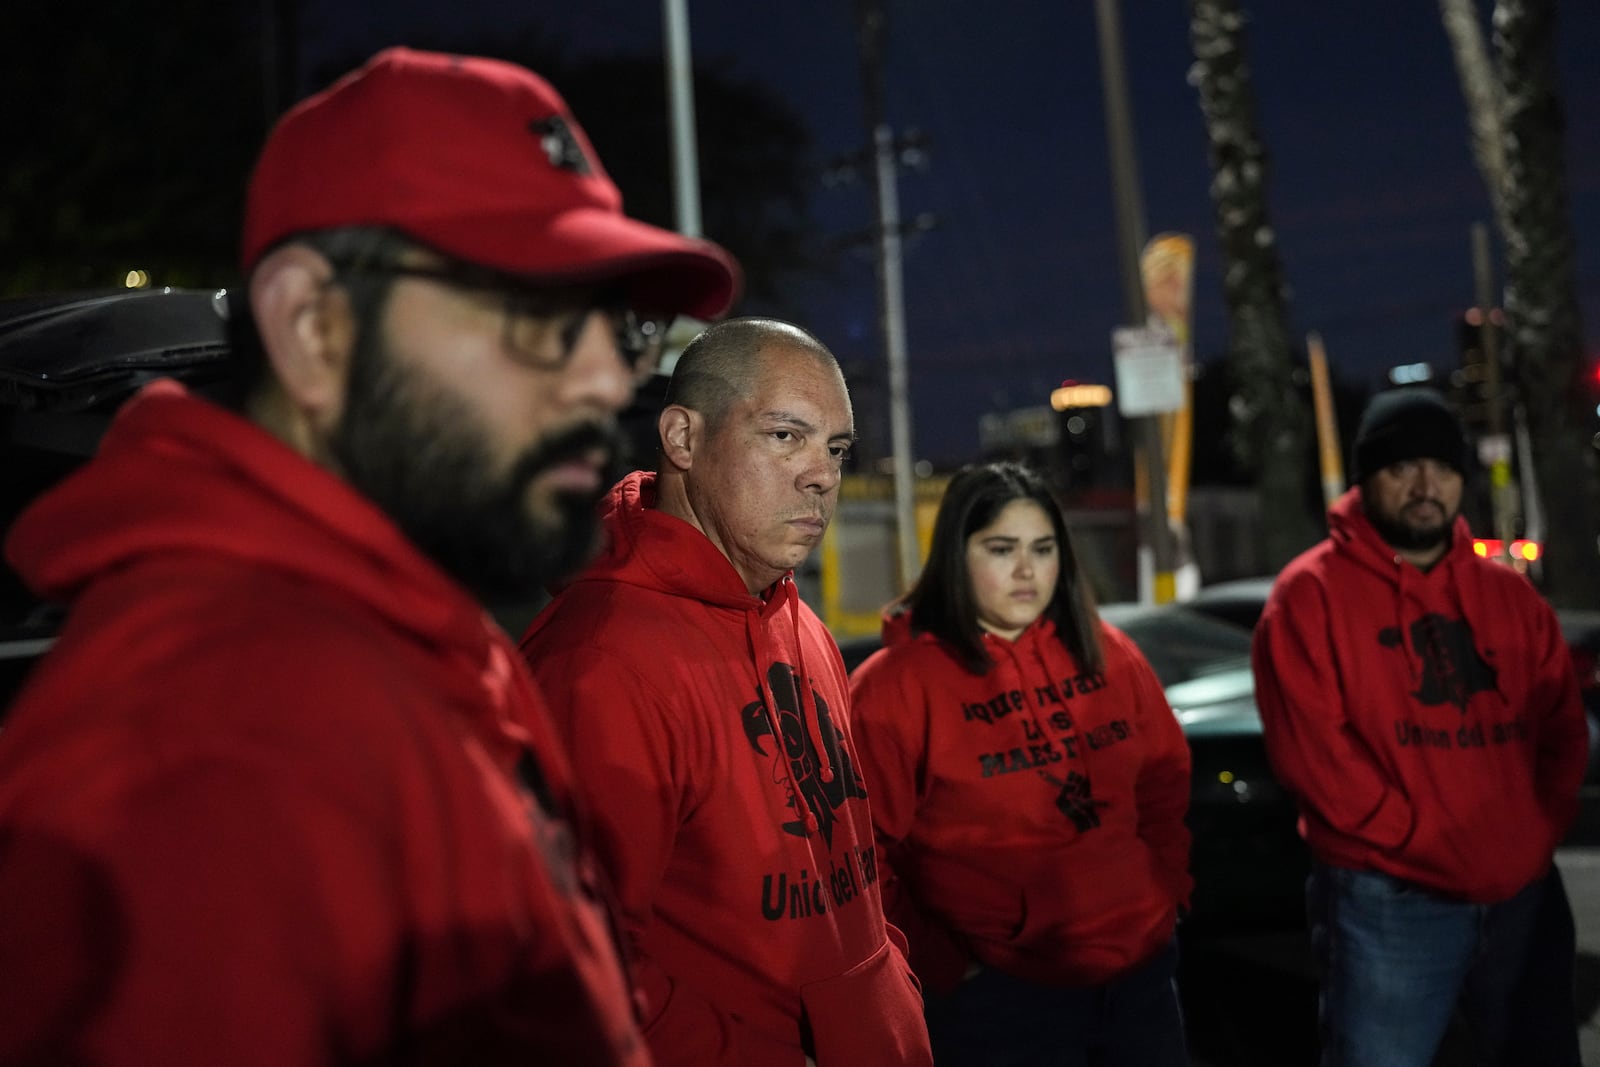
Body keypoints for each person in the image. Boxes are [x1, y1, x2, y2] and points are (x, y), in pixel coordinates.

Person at [0, 46, 740, 1065]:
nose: (604, 384)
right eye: (534, 319)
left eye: (619, 330)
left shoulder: (407, 629)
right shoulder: (206, 744)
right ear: (313, 325)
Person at [518, 317, 933, 1067]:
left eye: (836, 448)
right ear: (682, 438)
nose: (823, 475)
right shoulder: (596, 663)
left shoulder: (801, 622)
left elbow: (856, 879)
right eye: (785, 436)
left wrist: (889, 988)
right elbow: (575, 965)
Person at [1252, 387, 1587, 1066]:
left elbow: (1562, 725)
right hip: (1391, 898)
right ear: (1366, 477)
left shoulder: (1508, 596)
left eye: (1442, 467)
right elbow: (1312, 753)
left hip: (1521, 891)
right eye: (1402, 467)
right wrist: (1408, 836)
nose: (1425, 485)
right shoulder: (1309, 594)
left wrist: (1535, 828)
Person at [847, 460, 1193, 1066]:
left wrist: (1166, 891)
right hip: (1002, 997)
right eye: (1002, 548)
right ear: (958, 554)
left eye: (1044, 547)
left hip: (1140, 977)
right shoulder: (894, 687)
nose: (1028, 570)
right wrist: (941, 962)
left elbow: (1164, 781)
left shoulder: (1108, 651)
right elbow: (861, 849)